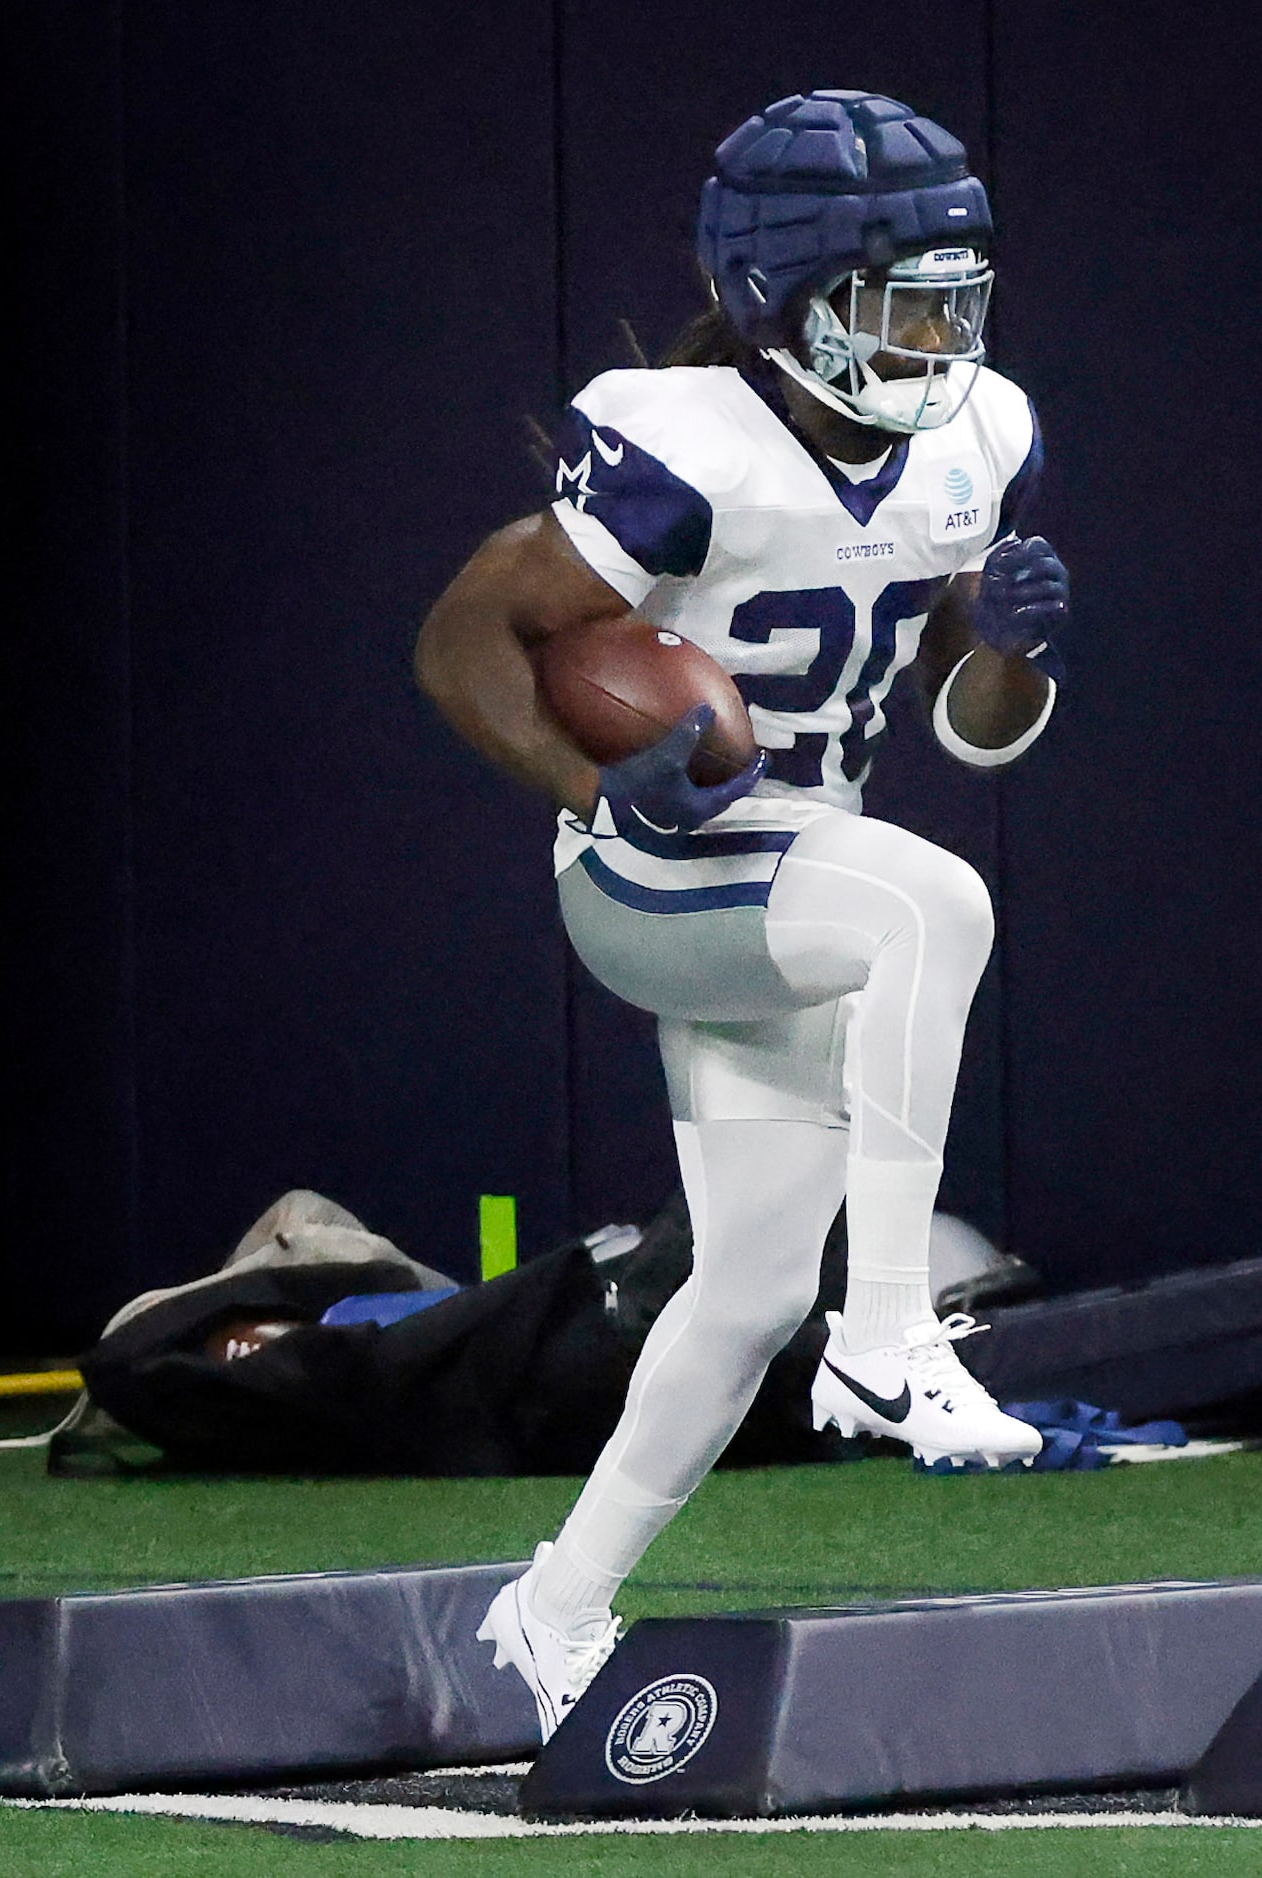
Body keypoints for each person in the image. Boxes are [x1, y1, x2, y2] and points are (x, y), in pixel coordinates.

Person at [411, 89, 1069, 1736]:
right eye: (902, 302)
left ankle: (549, 1609)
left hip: (797, 883)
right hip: (656, 869)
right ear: (789, 301)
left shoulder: (977, 441)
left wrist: (1013, 655)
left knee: (747, 1287)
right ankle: (895, 1326)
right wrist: (594, 789)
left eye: (957, 299)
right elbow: (461, 639)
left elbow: (967, 733)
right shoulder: (684, 445)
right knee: (940, 903)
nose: (941, 338)